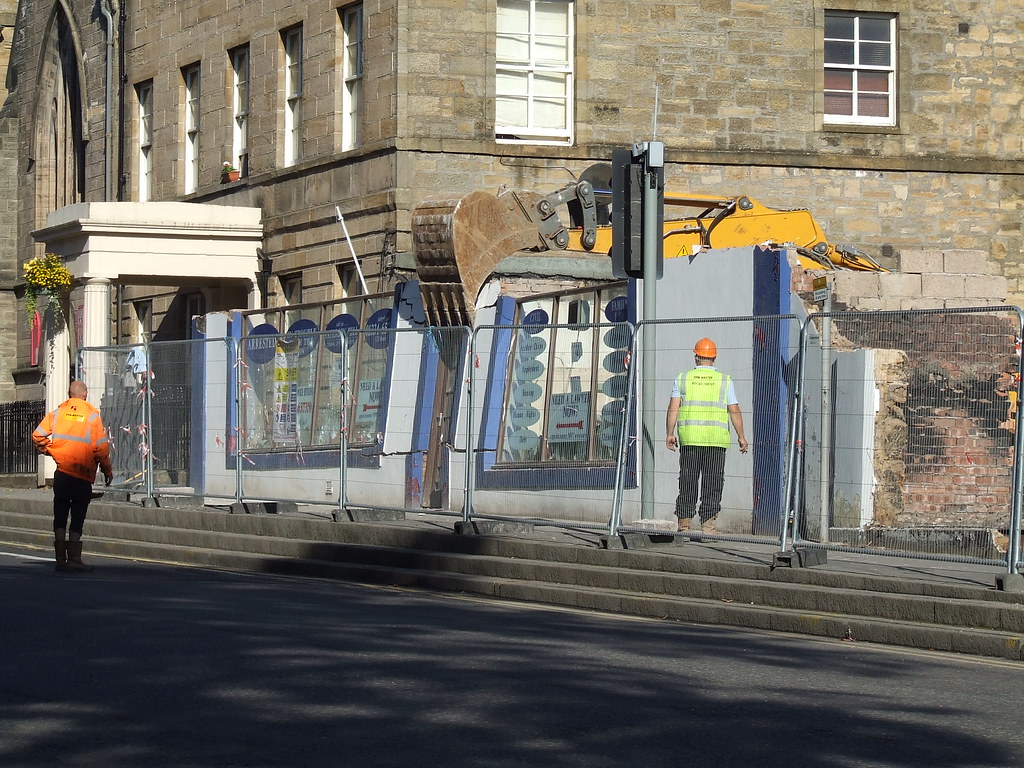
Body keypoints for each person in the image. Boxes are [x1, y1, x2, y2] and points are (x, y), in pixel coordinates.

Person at [665, 338, 748, 534]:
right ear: (714, 358)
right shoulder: (724, 381)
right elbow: (734, 409)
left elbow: (673, 408)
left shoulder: (683, 378)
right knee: (713, 482)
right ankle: (708, 527)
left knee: (688, 481)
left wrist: (669, 433)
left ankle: (684, 525)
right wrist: (741, 436)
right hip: (716, 440)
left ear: (696, 357)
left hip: (690, 439)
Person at [33, 381, 113, 572]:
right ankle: (74, 559)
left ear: (69, 394)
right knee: (78, 516)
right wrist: (107, 470)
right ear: (85, 394)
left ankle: (60, 559)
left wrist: (51, 451)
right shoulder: (92, 417)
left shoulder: (57, 414)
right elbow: (101, 449)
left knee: (60, 514)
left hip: (62, 473)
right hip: (82, 476)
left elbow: (37, 436)